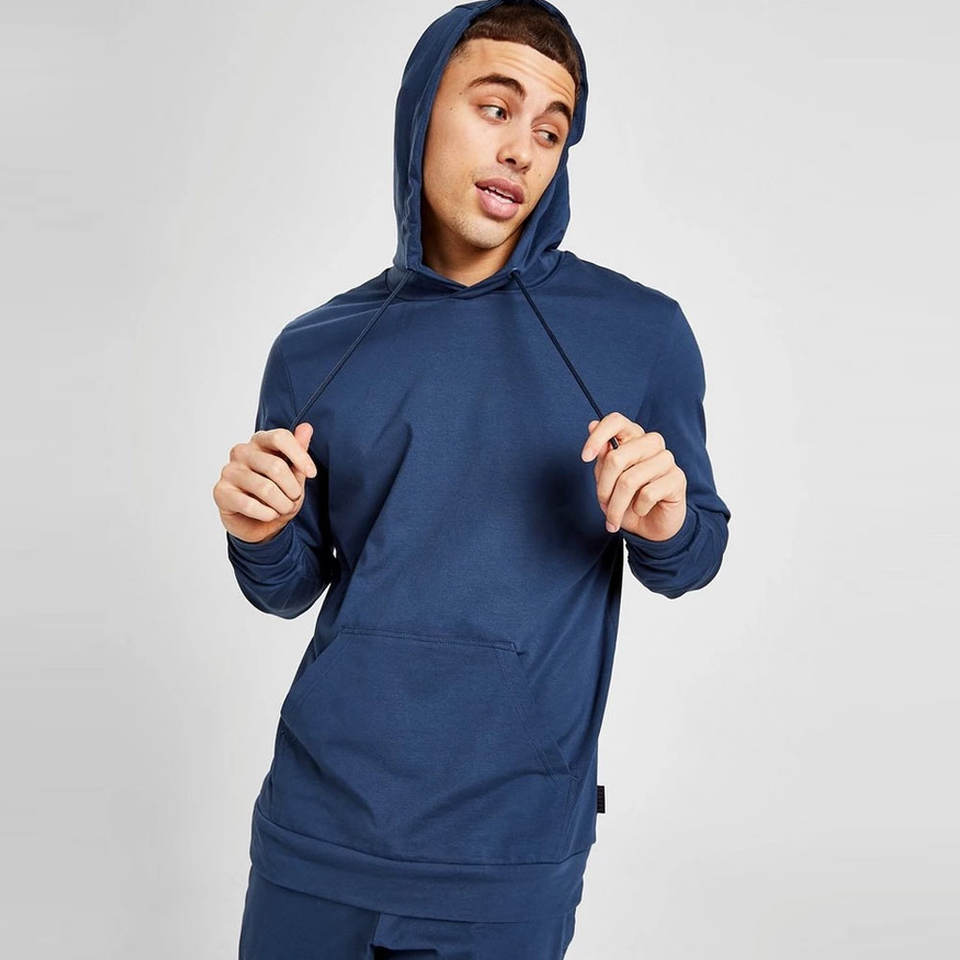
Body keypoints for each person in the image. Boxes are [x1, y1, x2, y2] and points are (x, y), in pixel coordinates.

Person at [213, 1, 732, 956]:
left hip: (507, 857)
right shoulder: (315, 347)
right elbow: (288, 585)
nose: (522, 150)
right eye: (495, 108)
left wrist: (665, 525)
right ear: (422, 112)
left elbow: (692, 555)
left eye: (550, 131)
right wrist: (258, 533)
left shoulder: (641, 334)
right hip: (315, 834)